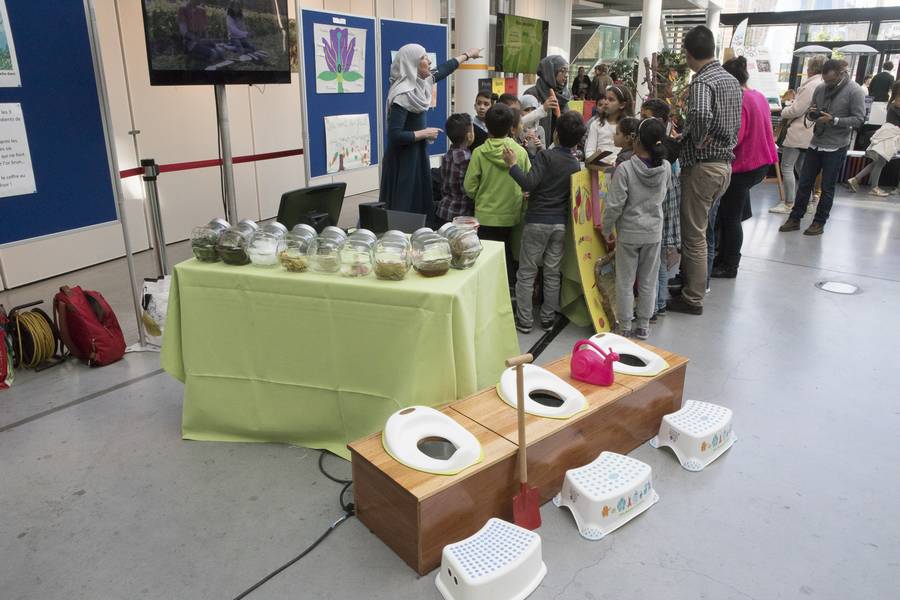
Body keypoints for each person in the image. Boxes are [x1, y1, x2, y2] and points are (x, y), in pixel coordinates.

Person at [667, 25, 742, 316]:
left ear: (688, 53)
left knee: (694, 236)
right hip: (724, 166)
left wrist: (695, 139)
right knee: (702, 230)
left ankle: (693, 298)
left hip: (703, 168)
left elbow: (699, 113)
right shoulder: (731, 80)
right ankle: (690, 284)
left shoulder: (702, 81)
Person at [502, 111, 586, 333]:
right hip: (559, 224)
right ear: (577, 141)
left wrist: (512, 165)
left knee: (527, 272)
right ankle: (548, 319)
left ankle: (525, 320)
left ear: (556, 133)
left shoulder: (545, 156)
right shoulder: (574, 164)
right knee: (552, 273)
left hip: (537, 221)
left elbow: (529, 183)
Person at [380, 44, 481, 215]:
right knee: (404, 206)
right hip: (403, 160)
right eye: (424, 58)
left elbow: (444, 69)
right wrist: (424, 133)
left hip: (416, 153)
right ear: (412, 64)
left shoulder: (422, 83)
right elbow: (394, 135)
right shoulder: (402, 94)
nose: (429, 61)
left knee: (417, 203)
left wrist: (468, 54)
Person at [601, 118, 671, 340]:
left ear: (636, 139)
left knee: (625, 281)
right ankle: (643, 326)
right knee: (648, 281)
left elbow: (614, 205)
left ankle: (624, 326)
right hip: (653, 232)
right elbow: (664, 194)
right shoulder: (666, 167)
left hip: (629, 233)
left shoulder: (625, 169)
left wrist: (606, 229)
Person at [779, 59, 866, 236]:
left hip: (836, 145)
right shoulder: (820, 88)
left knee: (827, 187)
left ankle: (819, 222)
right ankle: (795, 218)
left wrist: (834, 120)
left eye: (831, 81)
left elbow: (859, 119)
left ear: (841, 74)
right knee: (804, 183)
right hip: (815, 142)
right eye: (826, 81)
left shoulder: (855, 90)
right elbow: (812, 110)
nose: (828, 84)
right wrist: (812, 114)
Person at [712, 57, 778, 279]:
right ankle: (724, 257)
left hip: (743, 164)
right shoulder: (758, 95)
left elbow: (734, 137)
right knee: (732, 213)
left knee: (730, 217)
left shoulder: (738, 99)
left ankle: (729, 264)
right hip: (761, 163)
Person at [464, 103, 531, 286]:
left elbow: (469, 187)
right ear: (511, 127)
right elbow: (528, 183)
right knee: (507, 254)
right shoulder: (520, 152)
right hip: (512, 215)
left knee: (485, 258)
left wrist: (480, 197)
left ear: (486, 126)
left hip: (485, 215)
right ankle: (508, 289)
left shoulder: (478, 153)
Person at [639, 100, 682, 319]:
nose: (641, 122)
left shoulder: (660, 152)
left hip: (659, 211)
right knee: (661, 260)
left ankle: (654, 306)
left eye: (645, 117)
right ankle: (661, 303)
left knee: (654, 263)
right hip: (666, 208)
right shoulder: (671, 148)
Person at [769, 55, 826, 214]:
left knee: (787, 166)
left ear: (811, 68)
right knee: (802, 168)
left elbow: (797, 110)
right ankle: (807, 202)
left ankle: (789, 203)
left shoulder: (810, 86)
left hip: (799, 131)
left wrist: (784, 110)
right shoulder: (822, 84)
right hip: (809, 132)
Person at [848, 81, 900, 197]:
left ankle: (856, 179)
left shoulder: (893, 102)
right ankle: (873, 187)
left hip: (890, 134)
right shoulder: (896, 103)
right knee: (880, 162)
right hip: (890, 135)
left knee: (879, 161)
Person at [436, 114, 475, 224]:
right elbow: (469, 188)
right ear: (469, 136)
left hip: (443, 209)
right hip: (460, 214)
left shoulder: (447, 155)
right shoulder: (467, 159)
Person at [525, 55, 570, 141]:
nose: (566, 75)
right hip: (536, 143)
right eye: (562, 71)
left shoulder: (563, 95)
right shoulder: (532, 93)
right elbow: (524, 123)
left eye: (567, 71)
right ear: (550, 72)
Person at [585, 85, 634, 160]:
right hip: (598, 165)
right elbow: (589, 151)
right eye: (605, 98)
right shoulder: (596, 124)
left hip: (620, 164)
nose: (606, 102)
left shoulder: (629, 126)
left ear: (622, 105)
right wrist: (595, 162)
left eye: (611, 100)